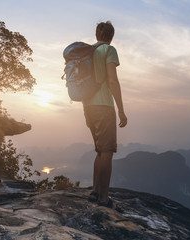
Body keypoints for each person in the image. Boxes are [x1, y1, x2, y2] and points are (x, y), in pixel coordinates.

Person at [83, 21, 127, 207]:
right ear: (111, 36)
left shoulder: (87, 52)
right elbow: (112, 81)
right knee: (107, 152)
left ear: (96, 35)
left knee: (100, 151)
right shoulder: (109, 50)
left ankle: (94, 191)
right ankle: (103, 197)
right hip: (104, 106)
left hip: (88, 107)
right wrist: (121, 110)